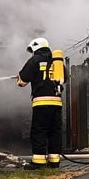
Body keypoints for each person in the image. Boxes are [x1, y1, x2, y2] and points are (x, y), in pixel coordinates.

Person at [17, 36, 63, 169]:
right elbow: (63, 78)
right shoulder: (56, 61)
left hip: (41, 103)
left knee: (39, 131)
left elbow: (22, 81)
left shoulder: (34, 60)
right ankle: (54, 161)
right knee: (55, 131)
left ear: (35, 47)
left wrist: (19, 79)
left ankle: (39, 161)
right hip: (56, 102)